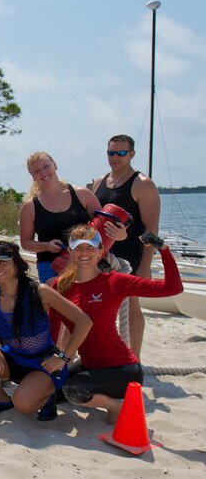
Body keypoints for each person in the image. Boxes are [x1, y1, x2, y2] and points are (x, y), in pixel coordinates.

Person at [0, 241, 92, 421]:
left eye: (3, 261)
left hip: (45, 362)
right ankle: (2, 400)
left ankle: (48, 395)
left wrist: (63, 358)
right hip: (12, 359)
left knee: (24, 406)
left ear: (16, 262)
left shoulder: (40, 292)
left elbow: (84, 322)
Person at [51, 226, 181, 423]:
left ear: (100, 251)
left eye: (90, 247)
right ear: (70, 252)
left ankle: (118, 406)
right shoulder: (60, 286)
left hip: (123, 370)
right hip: (90, 366)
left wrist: (163, 249)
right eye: (78, 248)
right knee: (53, 391)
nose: (84, 253)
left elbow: (173, 288)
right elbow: (53, 327)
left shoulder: (116, 281)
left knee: (74, 390)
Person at [92, 134, 161, 358]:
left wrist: (145, 265)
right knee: (98, 307)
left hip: (131, 257)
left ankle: (135, 359)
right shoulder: (99, 182)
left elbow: (151, 230)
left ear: (131, 154)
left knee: (131, 308)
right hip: (101, 256)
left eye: (121, 153)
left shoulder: (143, 184)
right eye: (111, 152)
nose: (116, 157)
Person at [20, 151, 125, 284]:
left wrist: (121, 235)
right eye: (37, 171)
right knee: (58, 294)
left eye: (46, 167)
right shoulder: (30, 207)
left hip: (86, 260)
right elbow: (26, 243)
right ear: (33, 176)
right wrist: (47, 246)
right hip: (50, 264)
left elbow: (104, 227)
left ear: (55, 165)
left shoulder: (82, 194)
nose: (43, 173)